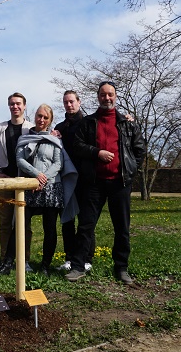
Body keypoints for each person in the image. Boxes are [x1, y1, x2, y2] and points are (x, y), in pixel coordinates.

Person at [67, 82, 145, 283]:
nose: (107, 98)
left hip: (120, 183)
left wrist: (130, 169)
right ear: (98, 97)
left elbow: (139, 149)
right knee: (85, 226)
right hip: (94, 183)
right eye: (103, 95)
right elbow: (77, 146)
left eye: (110, 94)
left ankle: (121, 268)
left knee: (122, 228)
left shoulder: (127, 123)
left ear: (115, 96)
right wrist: (97, 152)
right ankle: (78, 267)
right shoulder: (88, 122)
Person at [14, 104, 78, 275]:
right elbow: (20, 160)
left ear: (50, 120)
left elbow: (58, 163)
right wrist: (36, 175)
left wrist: (43, 179)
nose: (41, 120)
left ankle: (45, 265)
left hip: (51, 188)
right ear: (35, 116)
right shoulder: (25, 138)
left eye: (45, 117)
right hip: (29, 187)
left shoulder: (55, 139)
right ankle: (16, 261)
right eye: (39, 116)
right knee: (20, 224)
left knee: (49, 228)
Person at [0, 93, 33, 276]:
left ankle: (24, 260)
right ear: (8, 106)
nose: (15, 107)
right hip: (4, 182)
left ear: (24, 106)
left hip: (24, 182)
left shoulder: (31, 129)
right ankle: (5, 259)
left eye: (18, 104)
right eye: (12, 104)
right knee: (5, 222)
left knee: (24, 223)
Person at [52, 90, 92, 273]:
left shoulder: (89, 122)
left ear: (79, 102)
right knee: (67, 220)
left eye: (71, 101)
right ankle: (69, 258)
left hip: (85, 178)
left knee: (85, 220)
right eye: (65, 102)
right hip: (66, 179)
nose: (69, 105)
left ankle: (86, 258)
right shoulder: (60, 127)